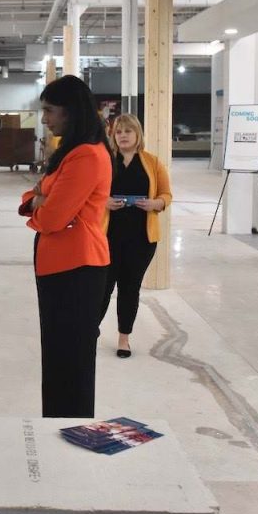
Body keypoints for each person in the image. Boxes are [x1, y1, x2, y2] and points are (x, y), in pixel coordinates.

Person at [19, 75, 113, 418]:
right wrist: (40, 200)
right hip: (58, 266)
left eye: (49, 111)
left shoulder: (87, 156)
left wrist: (41, 203)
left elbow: (52, 218)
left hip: (77, 268)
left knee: (71, 361)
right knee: (57, 356)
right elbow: (36, 195)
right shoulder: (70, 152)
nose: (45, 119)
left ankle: (69, 427)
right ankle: (55, 427)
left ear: (71, 112)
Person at [99, 114, 172, 358]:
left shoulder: (152, 162)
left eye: (128, 131)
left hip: (141, 238)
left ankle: (124, 338)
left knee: (130, 289)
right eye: (118, 132)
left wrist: (155, 204)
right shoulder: (106, 161)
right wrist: (104, 202)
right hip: (108, 237)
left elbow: (166, 195)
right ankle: (90, 331)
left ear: (138, 134)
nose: (122, 136)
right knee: (103, 287)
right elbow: (91, 194)